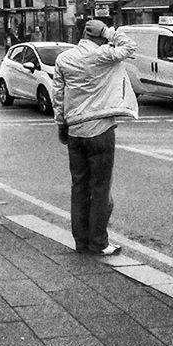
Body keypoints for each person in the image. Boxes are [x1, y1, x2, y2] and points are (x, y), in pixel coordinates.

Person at [52, 19, 138, 256]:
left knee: (79, 187)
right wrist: (110, 32)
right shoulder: (103, 55)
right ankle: (98, 242)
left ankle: (81, 241)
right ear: (100, 36)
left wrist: (61, 124)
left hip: (75, 131)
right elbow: (130, 47)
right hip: (100, 129)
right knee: (100, 188)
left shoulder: (64, 59)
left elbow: (58, 95)